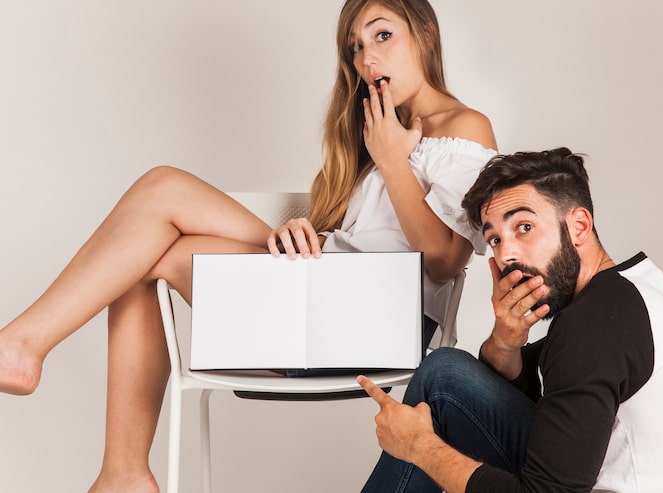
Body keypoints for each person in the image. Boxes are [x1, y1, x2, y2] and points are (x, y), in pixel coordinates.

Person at [0, 1, 497, 491]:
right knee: (140, 251)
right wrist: (298, 228)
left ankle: (29, 354)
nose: (368, 59)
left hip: (372, 321)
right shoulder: (377, 133)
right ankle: (121, 471)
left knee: (160, 193)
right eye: (355, 47)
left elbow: (444, 260)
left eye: (382, 35)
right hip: (325, 297)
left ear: (426, 35)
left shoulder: (464, 126)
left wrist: (391, 160)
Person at [358, 147, 663, 492]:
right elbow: (536, 403)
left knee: (442, 379)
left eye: (524, 227)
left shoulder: (594, 323)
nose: (507, 255)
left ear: (579, 226)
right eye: (495, 239)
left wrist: (419, 447)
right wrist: (505, 340)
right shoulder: (636, 290)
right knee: (446, 374)